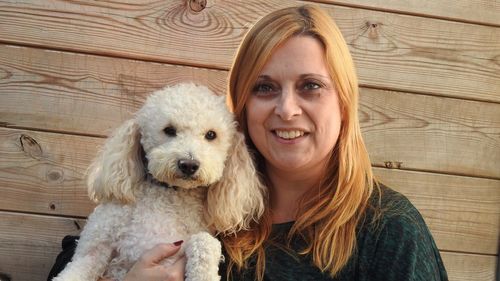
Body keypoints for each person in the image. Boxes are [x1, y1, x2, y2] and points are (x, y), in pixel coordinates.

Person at [48, 4, 448, 281]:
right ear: (241, 105)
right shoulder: (198, 194)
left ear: (343, 101)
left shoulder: (389, 229)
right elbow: (78, 259)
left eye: (310, 86)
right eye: (264, 87)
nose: (287, 109)